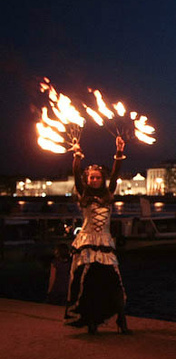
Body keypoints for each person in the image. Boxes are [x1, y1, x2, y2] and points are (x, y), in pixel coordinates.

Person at [65, 136, 130, 335]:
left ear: (102, 179)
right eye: (91, 177)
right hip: (86, 241)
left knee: (114, 281)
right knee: (88, 282)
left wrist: (119, 152)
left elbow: (116, 174)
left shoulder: (108, 195)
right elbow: (76, 173)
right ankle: (90, 320)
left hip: (105, 241)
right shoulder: (83, 196)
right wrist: (77, 154)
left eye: (97, 177)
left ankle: (121, 319)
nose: (94, 180)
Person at [47, 243, 72, 308]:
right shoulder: (71, 263)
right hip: (66, 289)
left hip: (57, 289)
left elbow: (52, 277)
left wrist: (49, 290)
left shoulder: (55, 263)